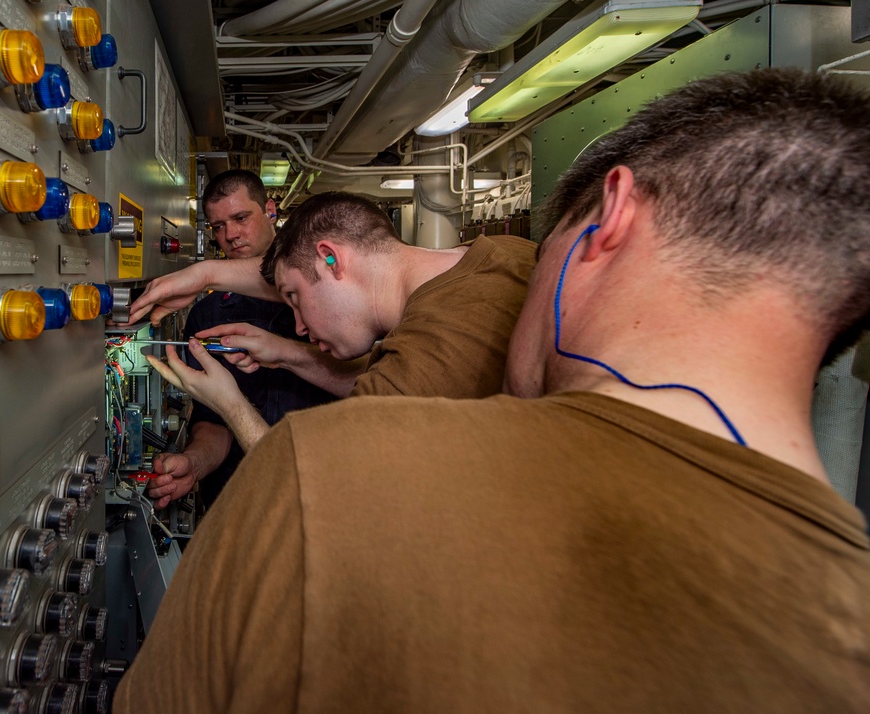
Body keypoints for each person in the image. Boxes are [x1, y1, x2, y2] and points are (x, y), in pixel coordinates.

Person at [116, 68, 870, 712]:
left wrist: (245, 402)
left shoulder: (329, 468)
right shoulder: (845, 629)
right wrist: (235, 292)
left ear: (610, 219)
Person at [143, 192, 536, 452]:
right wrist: (288, 354)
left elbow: (312, 484)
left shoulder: (433, 353)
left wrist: (228, 402)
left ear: (331, 258)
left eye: (293, 297)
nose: (298, 326)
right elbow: (389, 376)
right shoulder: (503, 255)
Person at [146, 170, 334, 511]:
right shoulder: (209, 315)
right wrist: (195, 463)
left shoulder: (326, 296)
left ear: (271, 211)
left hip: (322, 489)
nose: (230, 234)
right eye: (218, 226)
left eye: (241, 217)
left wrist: (204, 273)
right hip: (237, 497)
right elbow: (214, 420)